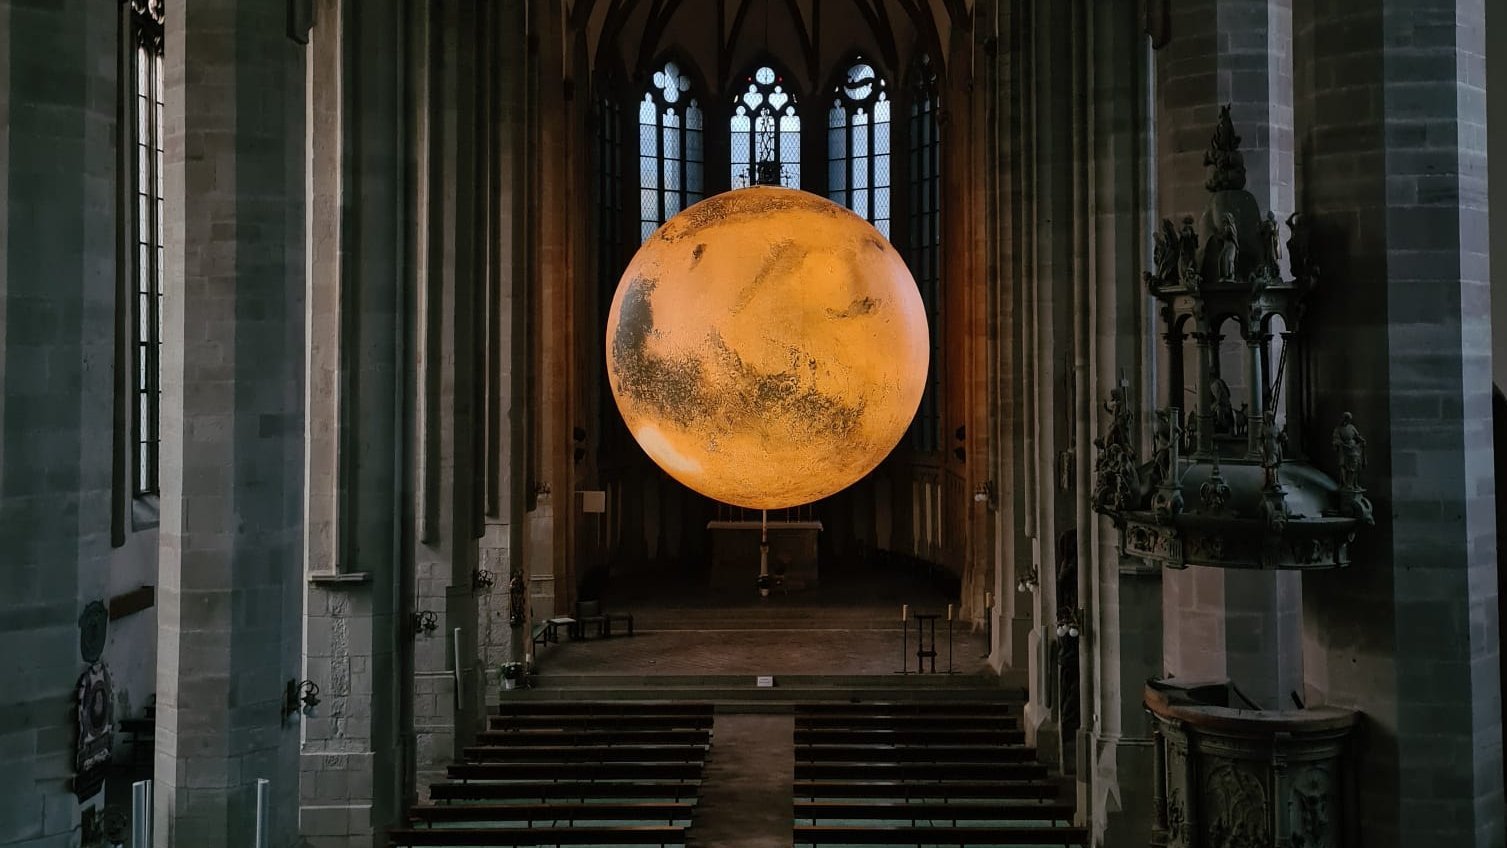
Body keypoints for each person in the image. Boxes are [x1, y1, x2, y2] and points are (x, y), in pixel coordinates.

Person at [1332, 411, 1366, 489]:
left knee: (1356, 466)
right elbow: (1336, 440)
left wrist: (1361, 440)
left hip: (1354, 449)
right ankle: (1347, 484)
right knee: (1346, 467)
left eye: (1348, 419)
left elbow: (1357, 436)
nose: (1347, 421)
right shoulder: (1338, 429)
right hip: (1344, 451)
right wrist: (1343, 445)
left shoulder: (1351, 427)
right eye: (1346, 419)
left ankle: (1354, 483)